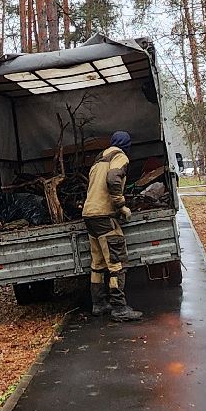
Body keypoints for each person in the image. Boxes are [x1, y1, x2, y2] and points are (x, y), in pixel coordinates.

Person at [82, 131, 143, 322]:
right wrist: (121, 205)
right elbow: (113, 179)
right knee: (116, 264)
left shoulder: (98, 161)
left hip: (89, 215)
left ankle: (99, 304)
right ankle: (119, 308)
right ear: (127, 146)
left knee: (98, 263)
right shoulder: (119, 157)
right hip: (104, 216)